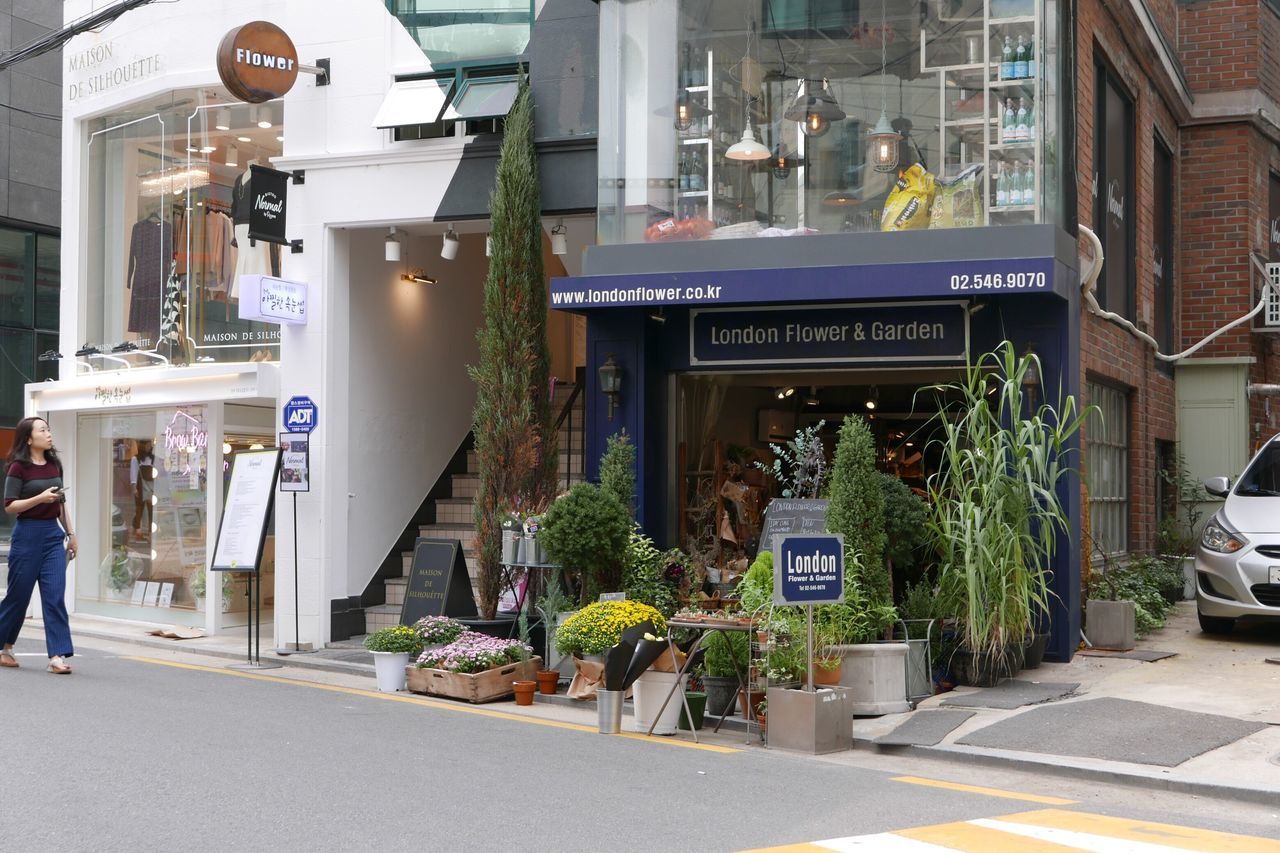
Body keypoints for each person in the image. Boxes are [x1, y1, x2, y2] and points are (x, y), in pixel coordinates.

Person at [0, 417, 76, 674]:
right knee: (18, 597)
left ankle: (56, 655)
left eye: (49, 429)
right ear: (29, 439)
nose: (48, 433)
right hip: (27, 536)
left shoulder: (54, 464)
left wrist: (71, 533)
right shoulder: (18, 468)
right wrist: (40, 498)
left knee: (54, 596)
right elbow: (10, 506)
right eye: (42, 430)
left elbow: (61, 503)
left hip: (53, 537)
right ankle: (6, 646)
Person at [130, 438, 157, 542]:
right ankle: (138, 531)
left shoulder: (153, 458)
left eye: (150, 445)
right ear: (142, 446)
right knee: (139, 509)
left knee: (151, 510)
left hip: (151, 486)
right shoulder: (135, 459)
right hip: (140, 486)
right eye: (148, 445)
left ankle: (150, 532)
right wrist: (134, 488)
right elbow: (133, 473)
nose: (149, 447)